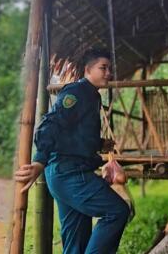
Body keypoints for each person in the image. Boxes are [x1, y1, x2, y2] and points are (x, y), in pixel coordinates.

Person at [14, 49, 131, 254]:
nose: (108, 73)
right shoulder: (76, 92)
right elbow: (51, 124)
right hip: (68, 173)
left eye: (110, 69)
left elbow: (74, 134)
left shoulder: (92, 96)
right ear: (87, 70)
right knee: (117, 211)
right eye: (103, 68)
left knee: (76, 242)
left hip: (69, 173)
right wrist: (39, 161)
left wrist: (99, 143)